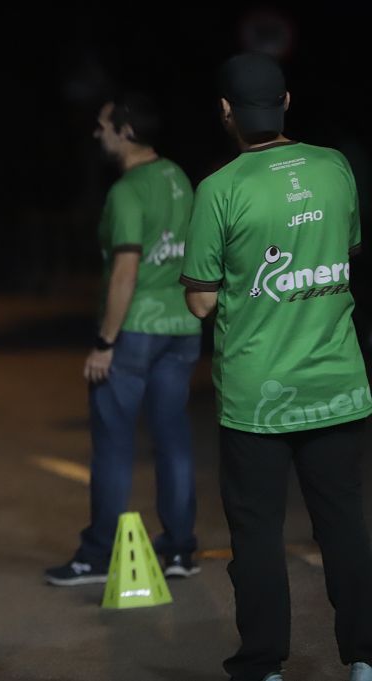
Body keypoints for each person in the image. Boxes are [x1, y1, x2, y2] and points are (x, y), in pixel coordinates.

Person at [181, 52, 372, 681]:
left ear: (226, 112)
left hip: (257, 396)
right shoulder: (336, 169)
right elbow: (344, 252)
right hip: (337, 384)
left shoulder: (219, 189)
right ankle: (364, 658)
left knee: (258, 536)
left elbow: (203, 298)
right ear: (287, 101)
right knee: (343, 526)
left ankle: (264, 666)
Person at [46, 94, 202, 586]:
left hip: (134, 331)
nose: (99, 133)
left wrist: (104, 342)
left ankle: (98, 555)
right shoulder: (179, 178)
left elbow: (125, 271)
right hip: (181, 328)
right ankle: (179, 548)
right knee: (173, 439)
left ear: (126, 131)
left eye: (104, 126)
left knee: (113, 446)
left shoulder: (127, 192)